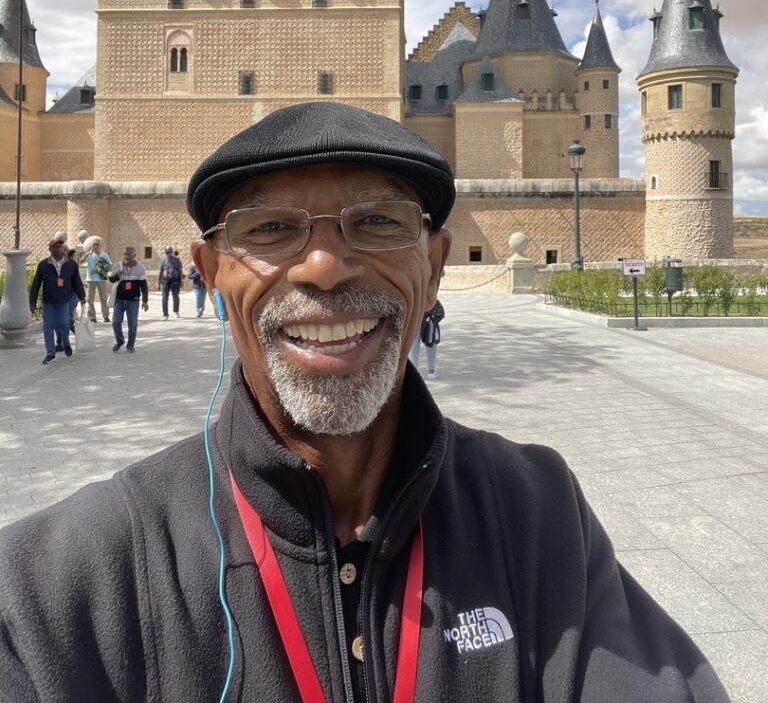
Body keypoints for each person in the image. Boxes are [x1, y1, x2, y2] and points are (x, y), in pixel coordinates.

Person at [0, 103, 730, 702]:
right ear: (211, 271)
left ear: (436, 265)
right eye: (269, 228)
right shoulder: (65, 581)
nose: (323, 265)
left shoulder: (537, 514)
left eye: (378, 221)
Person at [28, 237, 86, 365]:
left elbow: (77, 282)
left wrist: (82, 296)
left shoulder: (71, 264)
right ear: (50, 249)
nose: (59, 249)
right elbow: (36, 284)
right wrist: (32, 302)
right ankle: (50, 353)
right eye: (56, 247)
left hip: (63, 300)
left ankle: (65, 343)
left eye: (61, 246)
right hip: (48, 301)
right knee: (48, 328)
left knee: (64, 325)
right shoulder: (44, 265)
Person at [109, 246, 149, 353]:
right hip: (119, 300)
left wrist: (145, 301)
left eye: (128, 254)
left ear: (134, 256)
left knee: (132, 324)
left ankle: (130, 345)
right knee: (115, 322)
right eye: (125, 254)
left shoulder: (140, 267)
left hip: (133, 301)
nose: (126, 256)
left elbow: (144, 286)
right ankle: (120, 340)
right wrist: (117, 276)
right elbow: (111, 279)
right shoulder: (119, 265)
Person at [410, 298, 445, 379]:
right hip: (429, 313)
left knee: (414, 341)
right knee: (431, 339)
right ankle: (431, 371)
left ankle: (414, 371)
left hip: (415, 311)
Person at [85, 236, 112, 323]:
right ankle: (92, 317)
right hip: (90, 279)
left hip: (101, 279)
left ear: (100, 245)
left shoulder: (104, 255)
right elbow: (79, 262)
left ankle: (106, 316)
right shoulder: (89, 255)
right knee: (90, 299)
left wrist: (102, 267)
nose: (96, 246)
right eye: (94, 244)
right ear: (92, 246)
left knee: (103, 298)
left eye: (97, 244)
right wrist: (86, 255)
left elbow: (110, 266)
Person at [158, 244, 183, 319]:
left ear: (172, 252)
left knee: (175, 297)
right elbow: (161, 272)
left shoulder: (177, 260)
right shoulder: (163, 261)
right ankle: (165, 314)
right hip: (165, 282)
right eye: (167, 252)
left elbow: (180, 270)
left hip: (175, 281)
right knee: (164, 298)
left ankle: (176, 311)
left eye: (170, 252)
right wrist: (158, 283)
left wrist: (181, 280)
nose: (169, 254)